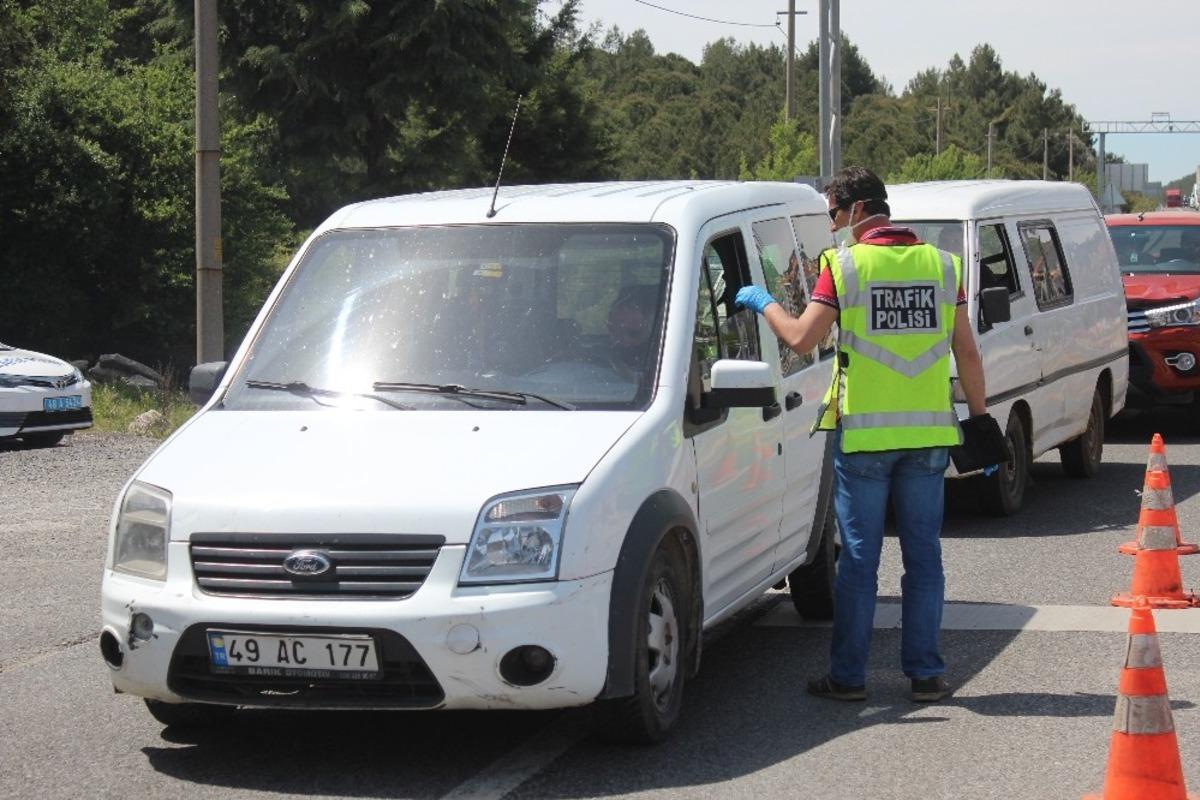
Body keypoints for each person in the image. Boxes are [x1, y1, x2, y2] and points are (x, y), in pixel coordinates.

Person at [735, 166, 989, 703]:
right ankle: (925, 674)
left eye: (832, 214)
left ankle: (848, 678)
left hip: (865, 443)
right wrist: (982, 418)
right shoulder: (944, 266)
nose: (832, 227)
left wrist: (765, 304)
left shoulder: (843, 266)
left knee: (858, 562)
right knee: (924, 558)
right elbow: (966, 351)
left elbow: (803, 340)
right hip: (927, 441)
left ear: (855, 210)